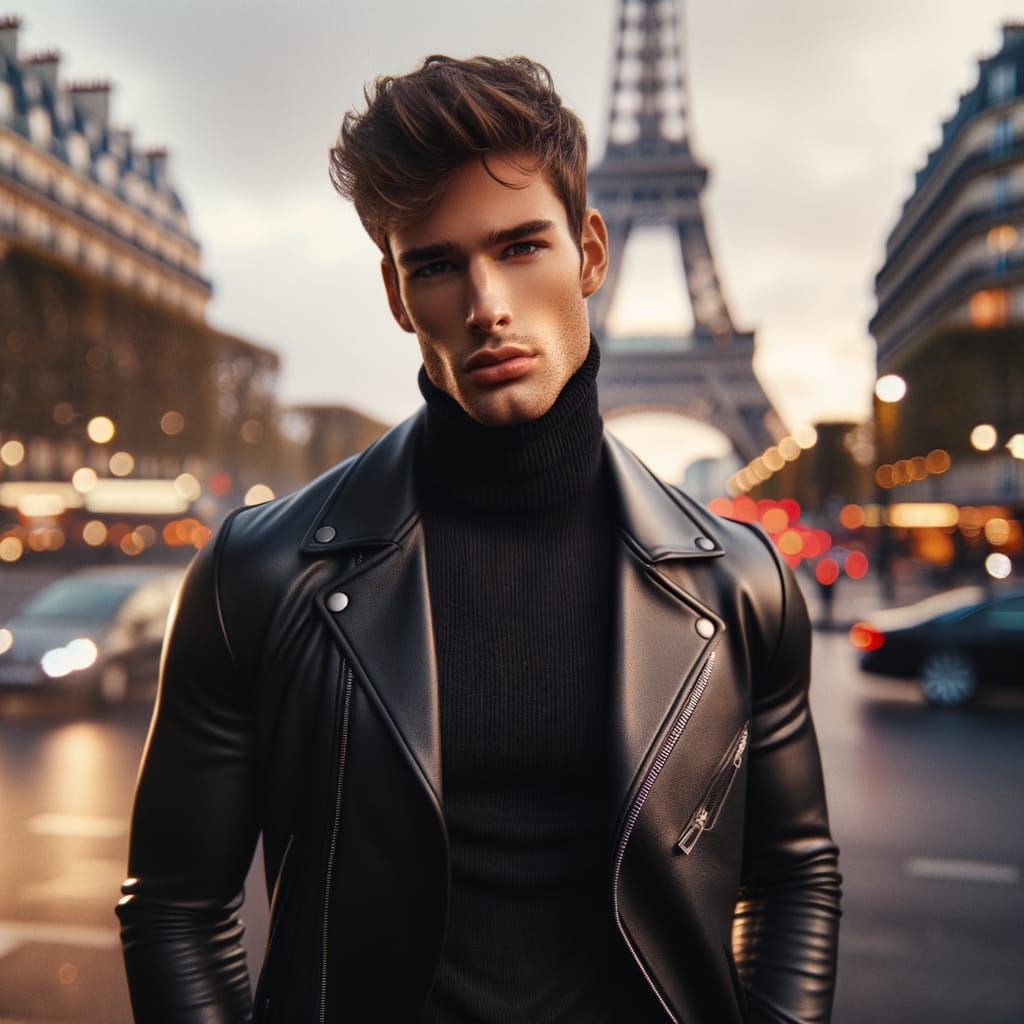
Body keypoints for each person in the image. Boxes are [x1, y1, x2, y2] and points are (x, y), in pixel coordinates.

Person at [117, 55, 841, 1023]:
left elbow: (793, 873)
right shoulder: (253, 575)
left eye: (520, 247)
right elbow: (175, 906)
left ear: (589, 250)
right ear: (395, 292)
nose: (486, 302)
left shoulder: (743, 583)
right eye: (437, 264)